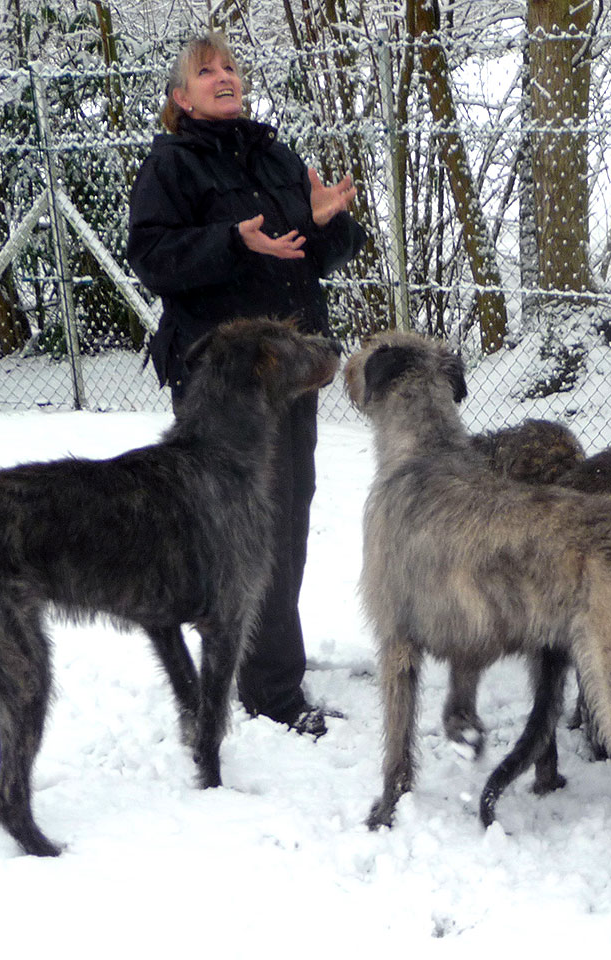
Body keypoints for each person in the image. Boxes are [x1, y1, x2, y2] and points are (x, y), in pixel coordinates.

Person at [127, 32, 365, 736]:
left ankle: (265, 655)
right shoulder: (172, 164)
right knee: (250, 525)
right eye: (206, 72)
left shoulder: (273, 155)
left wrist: (329, 222)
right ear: (180, 98)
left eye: (229, 66)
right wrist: (232, 241)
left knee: (288, 513)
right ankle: (269, 690)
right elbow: (153, 258)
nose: (224, 77)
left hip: (289, 367)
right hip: (223, 381)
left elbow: (312, 258)